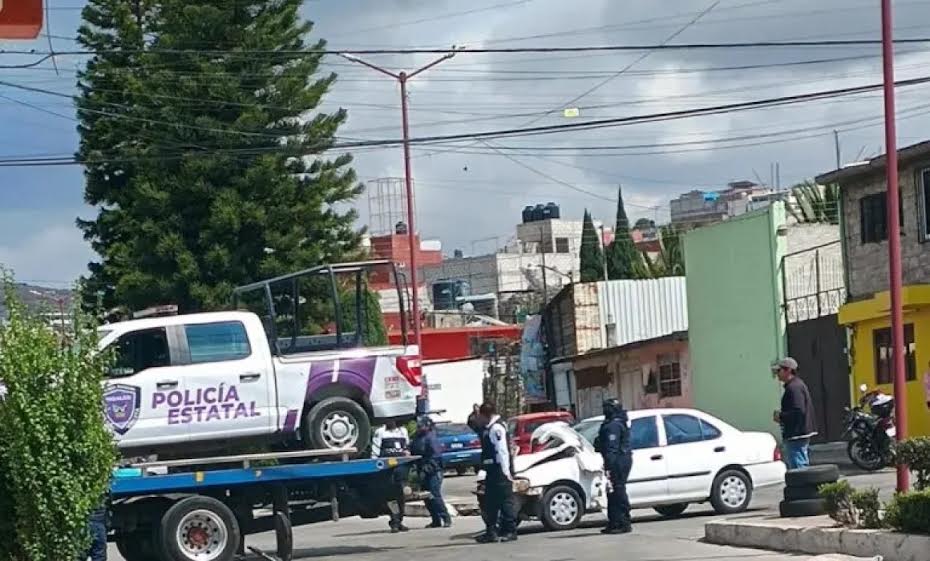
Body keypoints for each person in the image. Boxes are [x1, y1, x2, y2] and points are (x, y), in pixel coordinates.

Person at [475, 402, 518, 544]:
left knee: (506, 501)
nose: (479, 419)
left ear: (486, 415)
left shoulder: (496, 428)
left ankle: (510, 531)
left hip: (500, 471)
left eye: (480, 416)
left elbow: (502, 451)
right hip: (492, 471)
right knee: (490, 502)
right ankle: (491, 532)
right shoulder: (490, 427)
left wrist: (506, 472)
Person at [594, 398, 633, 535]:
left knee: (617, 490)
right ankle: (614, 522)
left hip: (618, 461)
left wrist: (609, 466)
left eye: (607, 408)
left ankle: (623, 522)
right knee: (612, 492)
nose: (605, 410)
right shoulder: (612, 423)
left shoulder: (614, 425)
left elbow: (612, 448)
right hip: (616, 460)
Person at [772, 357, 817, 470]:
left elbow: (799, 411)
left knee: (798, 465)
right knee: (800, 462)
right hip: (799, 432)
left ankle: (803, 482)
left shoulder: (794, 388)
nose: (777, 374)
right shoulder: (796, 385)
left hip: (797, 433)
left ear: (788, 370)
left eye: (779, 370)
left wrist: (781, 416)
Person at [410, 416, 452, 528]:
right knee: (427, 497)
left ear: (427, 426)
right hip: (421, 470)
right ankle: (435, 520)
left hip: (434, 471)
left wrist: (427, 469)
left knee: (434, 494)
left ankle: (446, 518)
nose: (419, 427)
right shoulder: (417, 438)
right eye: (418, 425)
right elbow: (413, 451)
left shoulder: (431, 438)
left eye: (421, 425)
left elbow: (436, 456)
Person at [372, 420, 411, 533]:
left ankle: (399, 520)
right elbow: (375, 451)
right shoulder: (380, 432)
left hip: (401, 468)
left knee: (402, 496)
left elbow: (407, 447)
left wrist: (407, 453)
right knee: (391, 498)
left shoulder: (402, 431)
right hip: (388, 470)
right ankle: (394, 521)